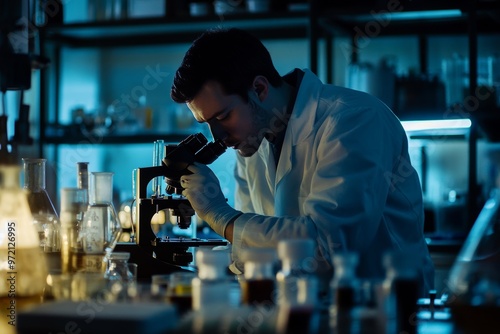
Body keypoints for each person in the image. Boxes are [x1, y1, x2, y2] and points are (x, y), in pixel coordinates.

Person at [171, 27, 434, 296]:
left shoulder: (354, 119)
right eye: (207, 123)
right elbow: (253, 249)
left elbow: (329, 246)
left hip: (384, 309)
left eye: (224, 116)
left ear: (259, 89)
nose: (219, 136)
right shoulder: (251, 142)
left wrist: (219, 215)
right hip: (305, 309)